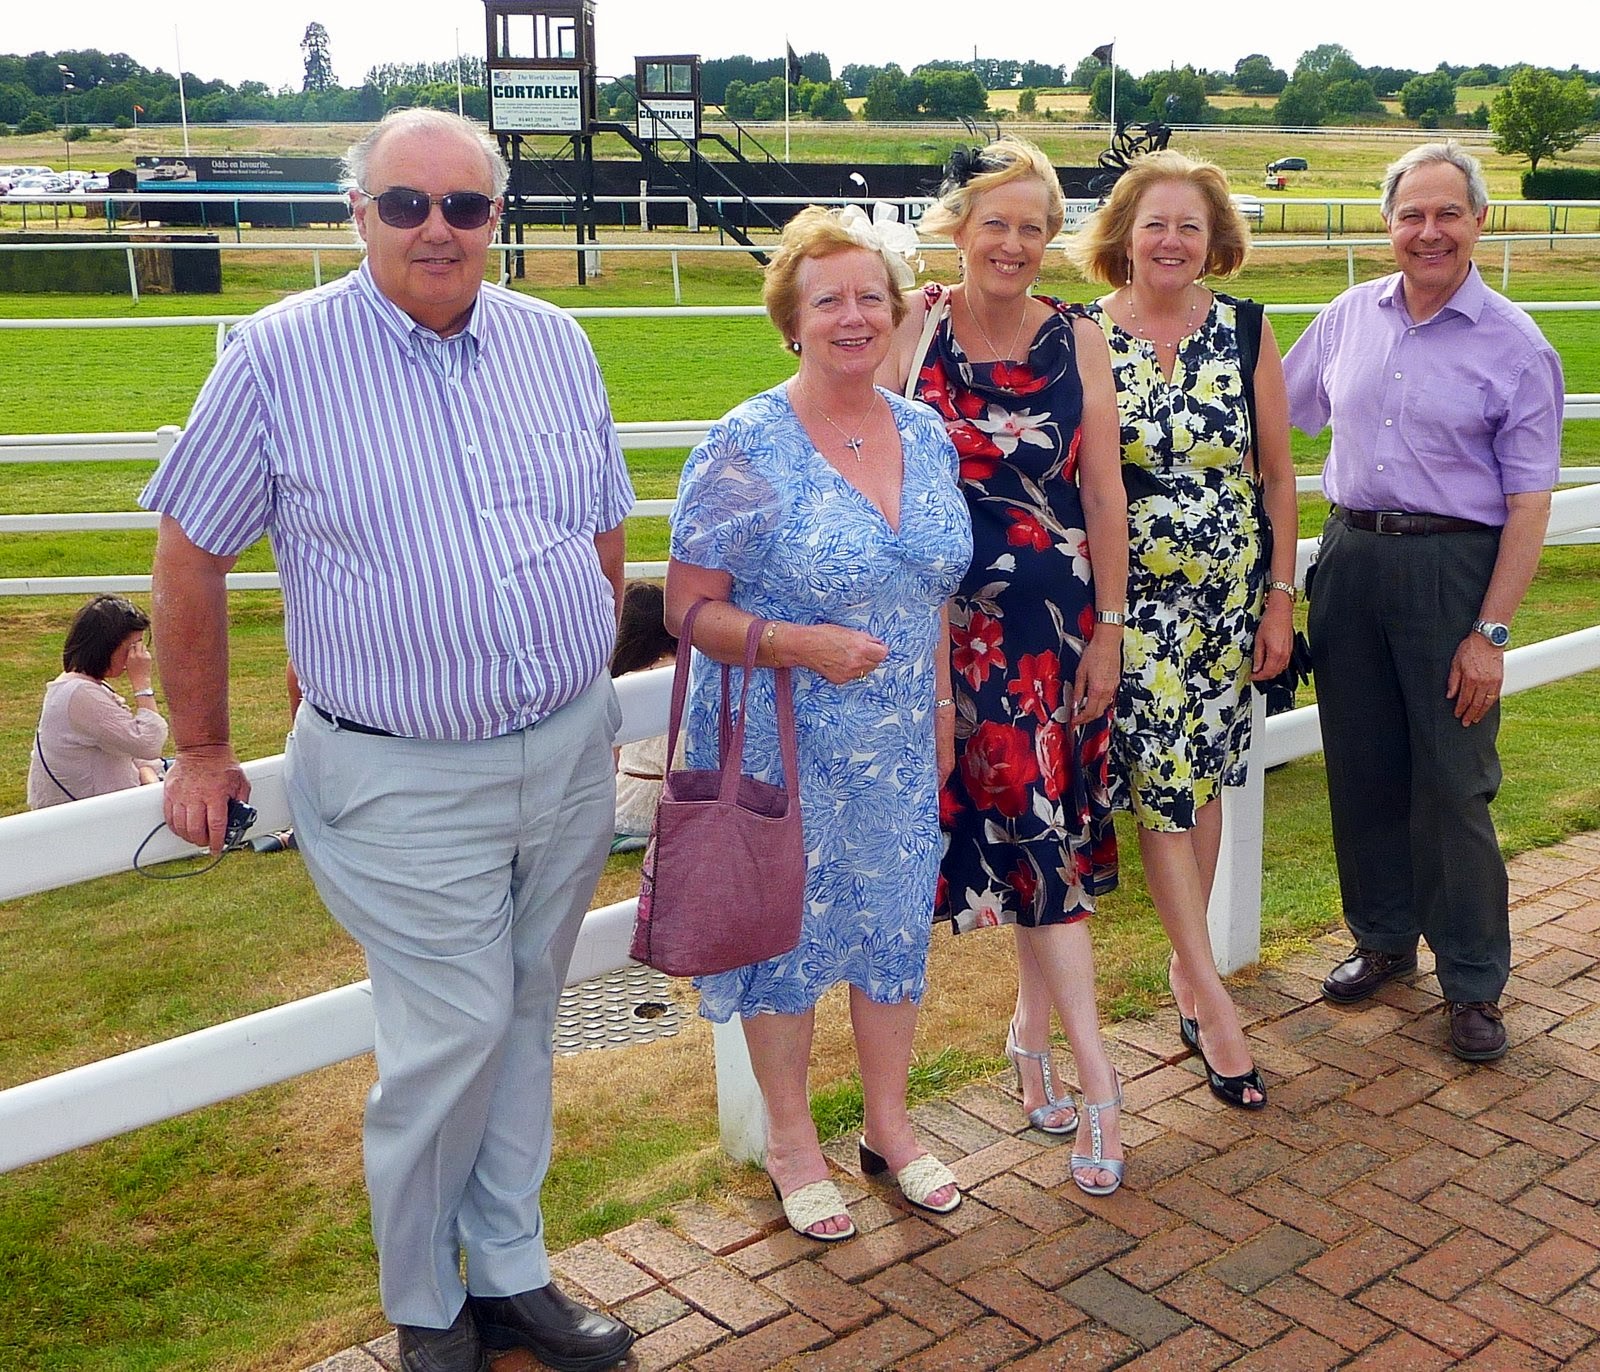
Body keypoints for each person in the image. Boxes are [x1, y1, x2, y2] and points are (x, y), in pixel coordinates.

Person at [140, 109, 636, 1372]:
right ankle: (425, 1304)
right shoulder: (273, 355)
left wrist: (587, 666)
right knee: (459, 1024)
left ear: (494, 220)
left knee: (526, 1011)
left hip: (566, 746)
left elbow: (599, 526)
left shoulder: (555, 343)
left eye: (465, 207)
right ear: (356, 212)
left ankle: (513, 1272)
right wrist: (202, 747)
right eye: (406, 203)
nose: (437, 229)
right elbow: (193, 550)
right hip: (401, 769)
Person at [666, 204, 972, 1241]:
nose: (853, 316)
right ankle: (794, 1144)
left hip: (893, 743)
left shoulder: (925, 433)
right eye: (828, 299)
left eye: (870, 298)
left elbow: (930, 589)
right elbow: (688, 609)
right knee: (784, 945)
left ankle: (889, 1126)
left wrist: (935, 703)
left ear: (895, 312)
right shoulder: (744, 444)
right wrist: (802, 644)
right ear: (790, 319)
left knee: (890, 934)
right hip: (781, 745)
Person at [879, 137, 1131, 1193]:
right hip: (946, 640)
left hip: (1057, 636)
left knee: (1045, 841)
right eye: (997, 223)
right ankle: (1077, 1066)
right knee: (1036, 845)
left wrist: (1111, 628)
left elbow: (1107, 493)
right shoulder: (916, 326)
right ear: (959, 225)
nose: (1015, 244)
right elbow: (857, 444)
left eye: (1034, 226)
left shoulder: (1079, 340)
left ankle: (1055, 1056)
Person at [1283, 142, 1562, 1062]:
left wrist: (1490, 632)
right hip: (1353, 560)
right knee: (1361, 765)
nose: (1428, 231)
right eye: (1412, 214)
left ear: (1480, 221)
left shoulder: (1517, 346)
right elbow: (1269, 415)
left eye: (1448, 213)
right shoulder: (1345, 317)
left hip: (1452, 573)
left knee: (1453, 784)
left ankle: (1474, 981)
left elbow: (1527, 504)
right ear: (1388, 223)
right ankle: (1383, 940)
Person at [1067, 149, 1298, 1110]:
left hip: (1227, 600)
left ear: (1216, 242)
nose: (1171, 241)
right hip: (1128, 597)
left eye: (1190, 227)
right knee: (1164, 781)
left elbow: (1279, 475)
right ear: (1123, 233)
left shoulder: (1246, 330)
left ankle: (1185, 974)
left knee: (1198, 778)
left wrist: (1281, 594)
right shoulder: (1079, 333)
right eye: (1155, 223)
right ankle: (1209, 997)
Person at [28, 594, 168, 809]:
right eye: (132, 648)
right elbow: (149, 743)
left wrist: (148, 775)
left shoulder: (80, 687)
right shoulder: (80, 694)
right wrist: (142, 683)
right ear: (104, 647)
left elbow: (135, 750)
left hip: (104, 811)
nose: (139, 657)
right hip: (89, 822)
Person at [610, 580, 677, 848]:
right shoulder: (693, 674)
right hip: (685, 801)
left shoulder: (624, 685)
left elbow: (610, 760)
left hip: (631, 808)